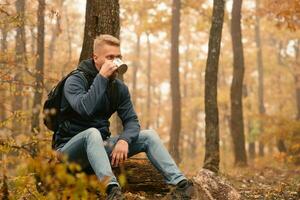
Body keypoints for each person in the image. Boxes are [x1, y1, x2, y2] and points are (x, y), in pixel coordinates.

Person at [53, 34, 194, 200]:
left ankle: (181, 186)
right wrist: (102, 78)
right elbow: (85, 108)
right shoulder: (75, 80)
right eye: (110, 57)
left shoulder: (118, 88)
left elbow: (132, 121)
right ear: (95, 58)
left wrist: (124, 140)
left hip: (100, 148)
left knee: (149, 136)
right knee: (92, 133)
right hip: (68, 152)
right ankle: (112, 191)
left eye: (118, 57)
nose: (115, 61)